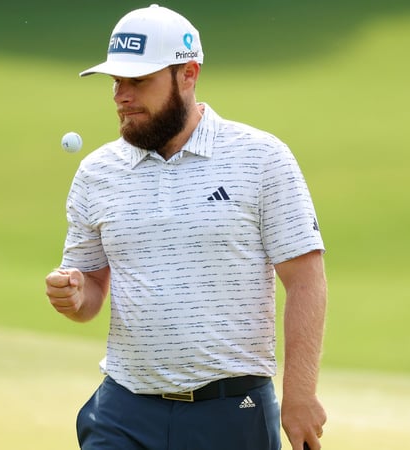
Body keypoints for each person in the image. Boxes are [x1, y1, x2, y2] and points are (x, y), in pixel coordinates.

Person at [44, 4, 327, 450]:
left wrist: (300, 394)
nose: (121, 95)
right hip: (124, 411)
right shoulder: (97, 173)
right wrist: (75, 294)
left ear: (188, 74)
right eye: (117, 81)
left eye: (139, 81)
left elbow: (306, 281)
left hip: (231, 412)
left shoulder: (261, 158)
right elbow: (92, 289)